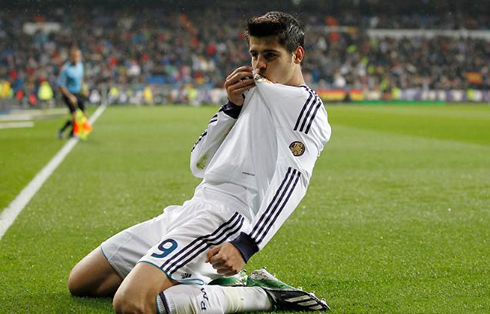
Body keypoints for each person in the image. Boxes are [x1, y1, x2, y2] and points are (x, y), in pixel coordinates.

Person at [67, 11, 332, 314]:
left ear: (297, 55)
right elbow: (199, 163)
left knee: (131, 302)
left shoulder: (305, 107)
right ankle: (199, 281)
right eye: (254, 54)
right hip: (193, 207)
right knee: (83, 281)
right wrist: (231, 108)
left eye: (270, 55)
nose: (259, 64)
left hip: (226, 218)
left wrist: (246, 245)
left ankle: (261, 295)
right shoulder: (251, 90)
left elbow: (292, 182)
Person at [57, 47, 87, 139]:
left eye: (79, 56)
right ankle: (71, 132)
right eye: (76, 56)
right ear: (71, 57)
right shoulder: (66, 69)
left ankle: (66, 130)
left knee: (84, 114)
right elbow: (60, 85)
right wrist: (70, 96)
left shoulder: (80, 66)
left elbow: (81, 78)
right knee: (74, 115)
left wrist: (84, 88)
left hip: (78, 92)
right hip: (68, 93)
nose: (78, 58)